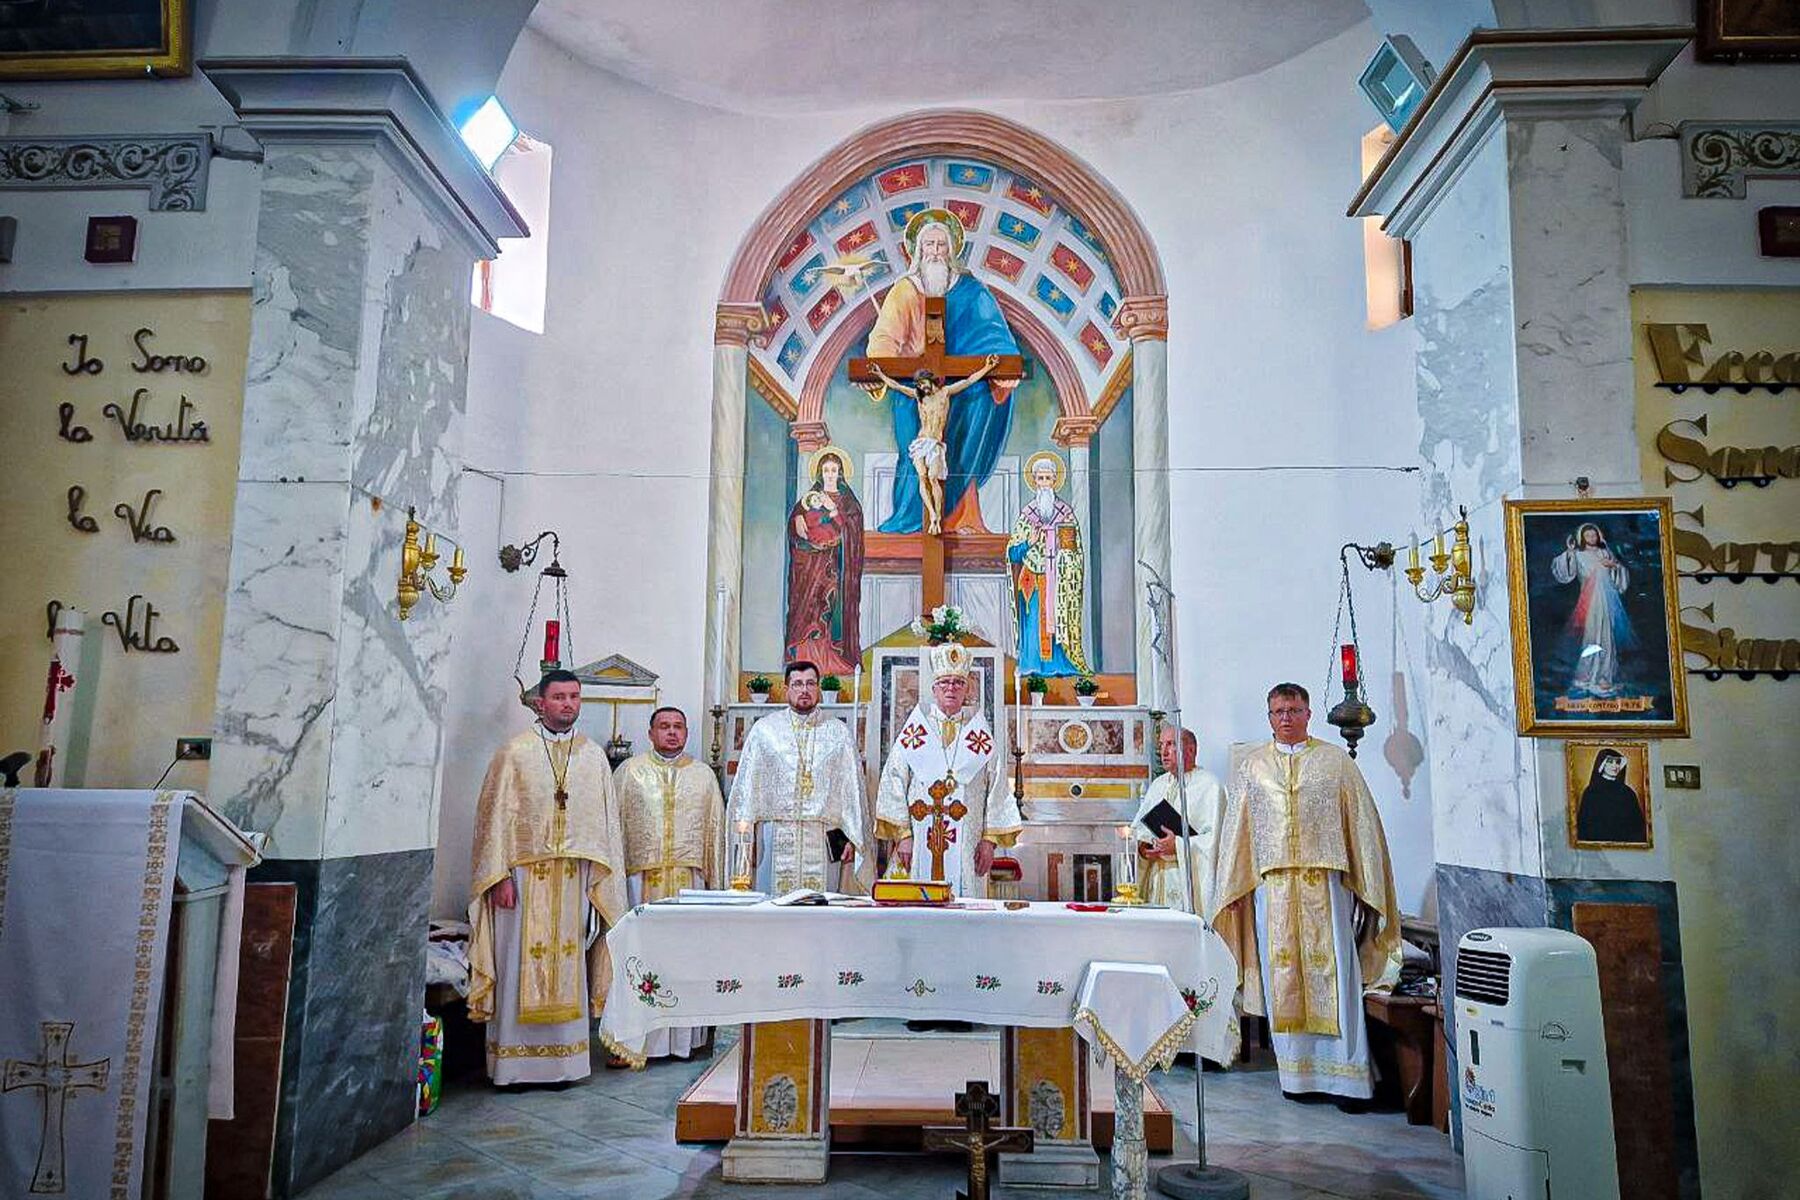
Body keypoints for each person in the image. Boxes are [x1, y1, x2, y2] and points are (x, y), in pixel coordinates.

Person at [1211, 683, 1401, 1104]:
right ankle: (1296, 1078)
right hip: (1272, 886)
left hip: (1326, 883)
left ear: (1308, 714)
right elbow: (1237, 831)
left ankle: (1347, 1080)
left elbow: (1363, 825)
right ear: (1269, 716)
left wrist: (1366, 879)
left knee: (1334, 970)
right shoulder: (1254, 768)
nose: (1286, 718)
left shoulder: (1335, 763)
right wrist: (1234, 884)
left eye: (1294, 710)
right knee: (1283, 976)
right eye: (1279, 711)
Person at [468, 670, 628, 1085]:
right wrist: (498, 876)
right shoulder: (514, 753)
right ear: (541, 703)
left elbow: (604, 826)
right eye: (559, 697)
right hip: (519, 880)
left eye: (575, 697)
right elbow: (493, 820)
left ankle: (564, 1065)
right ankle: (513, 1068)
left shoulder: (593, 757)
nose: (569, 704)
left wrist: (598, 881)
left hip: (574, 878)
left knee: (569, 960)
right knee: (515, 962)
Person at [863, 212, 1021, 534]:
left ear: (952, 250)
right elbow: (884, 338)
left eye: (940, 245)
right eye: (929, 245)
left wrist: (1002, 368)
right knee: (915, 461)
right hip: (916, 393)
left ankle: (960, 517)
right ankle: (911, 520)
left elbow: (994, 335)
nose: (935, 251)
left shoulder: (972, 290)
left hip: (962, 394)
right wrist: (879, 365)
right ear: (917, 251)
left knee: (961, 452)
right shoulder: (904, 290)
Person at [614, 706, 726, 1059]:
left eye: (679, 726)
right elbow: (613, 826)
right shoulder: (629, 772)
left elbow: (716, 832)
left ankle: (683, 1043)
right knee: (640, 957)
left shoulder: (703, 775)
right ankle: (636, 1041)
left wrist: (718, 886)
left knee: (685, 959)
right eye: (664, 726)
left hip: (688, 881)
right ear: (651, 733)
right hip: (639, 881)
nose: (672, 733)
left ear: (687, 733)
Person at [876, 641, 1022, 895]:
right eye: (944, 682)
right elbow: (893, 781)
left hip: (968, 843)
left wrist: (989, 841)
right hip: (920, 838)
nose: (951, 688)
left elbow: (997, 790)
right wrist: (904, 836)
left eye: (958, 682)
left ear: (967, 689)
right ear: (934, 688)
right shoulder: (915, 731)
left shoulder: (980, 736)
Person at [1133, 724, 1238, 1066]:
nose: (1163, 752)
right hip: (1161, 886)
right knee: (1160, 960)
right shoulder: (1159, 786)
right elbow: (1138, 827)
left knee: (1194, 961)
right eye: (1161, 746)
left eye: (1170, 745)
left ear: (1191, 749)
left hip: (1192, 890)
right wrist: (1145, 846)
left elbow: (1216, 843)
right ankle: (1165, 1042)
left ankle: (1202, 1044)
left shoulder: (1210, 787)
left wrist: (1175, 846)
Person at [728, 661, 872, 894]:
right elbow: (746, 790)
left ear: (818, 688)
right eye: (797, 684)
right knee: (773, 909)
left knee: (824, 910)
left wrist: (851, 838)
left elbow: (851, 792)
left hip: (825, 837)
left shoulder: (839, 733)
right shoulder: (764, 732)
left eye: (810, 683)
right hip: (774, 834)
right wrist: (747, 840)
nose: (804, 690)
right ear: (787, 689)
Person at [871, 354, 1001, 535]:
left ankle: (937, 516)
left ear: (931, 380)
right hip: (920, 443)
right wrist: (880, 376)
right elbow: (897, 386)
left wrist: (987, 368)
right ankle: (932, 515)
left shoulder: (945, 393)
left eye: (924, 383)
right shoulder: (919, 397)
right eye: (919, 385)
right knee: (923, 477)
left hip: (935, 444)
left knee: (933, 478)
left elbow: (969, 381)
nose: (922, 387)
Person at [1007, 450, 1089, 677]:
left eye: (1048, 479)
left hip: (1058, 581)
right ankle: (1032, 664)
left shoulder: (1065, 514)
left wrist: (1064, 557)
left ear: (1055, 481)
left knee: (1058, 619)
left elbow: (1074, 550)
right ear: (1034, 482)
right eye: (1040, 479)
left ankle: (1059, 665)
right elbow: (1012, 553)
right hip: (1032, 579)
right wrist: (1028, 542)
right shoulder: (1027, 515)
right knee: (1033, 623)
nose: (1044, 484)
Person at [785, 446, 865, 676]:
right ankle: (805, 660)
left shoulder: (849, 502)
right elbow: (796, 526)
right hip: (808, 566)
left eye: (834, 470)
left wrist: (834, 512)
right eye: (826, 470)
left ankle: (830, 659)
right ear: (820, 472)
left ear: (840, 473)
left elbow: (852, 532)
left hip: (835, 568)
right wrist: (797, 520)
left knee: (828, 608)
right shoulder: (808, 499)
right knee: (807, 608)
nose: (830, 474)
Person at [1549, 522, 1633, 696]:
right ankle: (1586, 675)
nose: (1591, 538)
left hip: (1607, 602)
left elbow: (1619, 574)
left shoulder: (1605, 552)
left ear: (1598, 536)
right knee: (1591, 637)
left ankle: (1605, 677)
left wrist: (1615, 567)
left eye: (1594, 535)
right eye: (1587, 536)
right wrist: (1570, 552)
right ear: (1582, 538)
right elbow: (1566, 572)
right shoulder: (1578, 555)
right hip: (1589, 601)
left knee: (1607, 638)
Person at [1576, 748, 1647, 844]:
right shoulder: (1591, 792)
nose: (1615, 766)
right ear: (1602, 765)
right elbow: (1583, 827)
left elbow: (1638, 826)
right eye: (1610, 762)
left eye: (1617, 762)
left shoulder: (1628, 793)